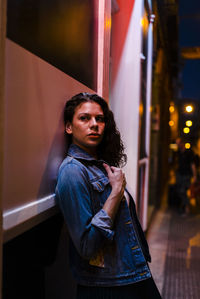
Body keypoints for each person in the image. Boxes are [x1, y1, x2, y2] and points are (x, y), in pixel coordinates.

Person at [56, 93, 162, 299]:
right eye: (84, 118)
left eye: (100, 119)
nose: (94, 124)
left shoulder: (101, 166)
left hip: (132, 273)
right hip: (107, 287)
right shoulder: (72, 171)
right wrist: (115, 193)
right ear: (69, 127)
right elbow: (87, 246)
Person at [175, 138, 197, 215]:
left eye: (178, 143)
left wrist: (194, 176)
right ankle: (185, 206)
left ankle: (187, 208)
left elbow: (192, 164)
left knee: (183, 191)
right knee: (180, 191)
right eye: (176, 143)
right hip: (180, 175)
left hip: (187, 175)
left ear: (182, 143)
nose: (178, 145)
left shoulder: (189, 152)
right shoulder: (178, 153)